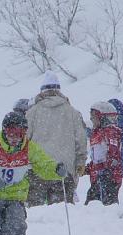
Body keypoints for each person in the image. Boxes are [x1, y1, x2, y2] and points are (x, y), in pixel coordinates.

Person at [25, 71, 87, 206]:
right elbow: (81, 141)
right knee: (61, 213)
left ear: (42, 91)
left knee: (36, 212)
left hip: (37, 170)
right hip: (63, 170)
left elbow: (24, 140)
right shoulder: (73, 112)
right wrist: (80, 162)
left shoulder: (32, 112)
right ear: (59, 91)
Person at [82, 101, 123, 205]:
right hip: (98, 179)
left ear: (103, 117)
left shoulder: (110, 132)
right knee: (91, 205)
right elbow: (97, 159)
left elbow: (113, 157)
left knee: (105, 207)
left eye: (93, 116)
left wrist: (104, 172)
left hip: (108, 179)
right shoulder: (96, 134)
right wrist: (87, 169)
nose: (91, 119)